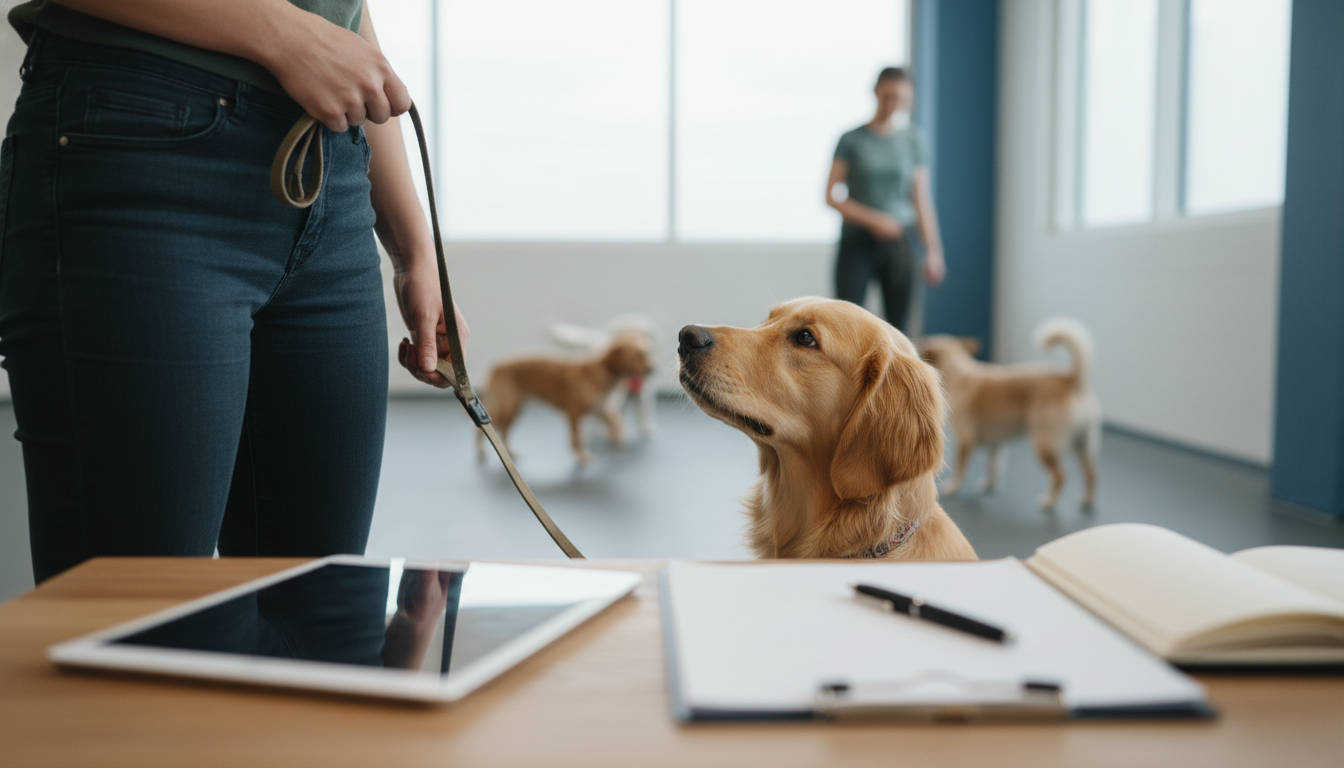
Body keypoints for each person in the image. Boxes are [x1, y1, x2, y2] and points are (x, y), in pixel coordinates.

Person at [0, 0, 466, 583]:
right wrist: (284, 36)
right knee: (134, 624)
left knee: (317, 621)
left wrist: (412, 249)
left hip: (334, 175)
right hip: (142, 145)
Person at [825, 66, 945, 333]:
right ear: (876, 92)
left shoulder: (913, 141)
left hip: (900, 243)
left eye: (900, 98)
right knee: (845, 326)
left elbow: (921, 199)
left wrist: (933, 251)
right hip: (857, 242)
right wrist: (874, 219)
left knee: (898, 329)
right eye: (888, 95)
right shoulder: (852, 139)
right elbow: (831, 196)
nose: (893, 104)